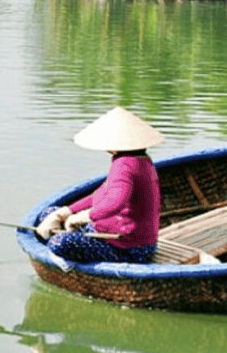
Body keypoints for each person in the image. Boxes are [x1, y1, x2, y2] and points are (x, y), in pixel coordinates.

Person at [35, 107, 163, 263]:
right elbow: (102, 195)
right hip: (120, 235)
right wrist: (65, 212)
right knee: (48, 213)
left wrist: (79, 218)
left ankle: (67, 264)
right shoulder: (141, 161)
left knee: (59, 242)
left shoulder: (125, 165)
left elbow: (114, 203)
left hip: (129, 248)